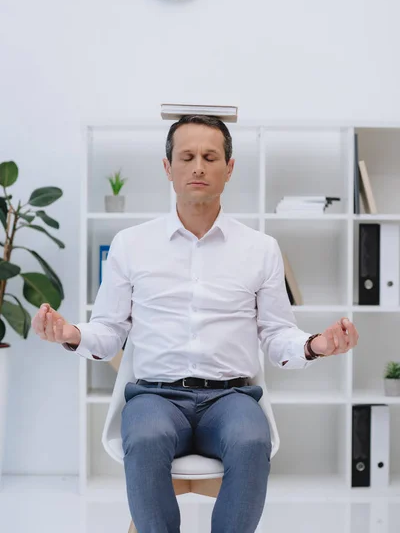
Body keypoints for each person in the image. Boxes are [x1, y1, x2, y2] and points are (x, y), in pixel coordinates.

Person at [31, 115, 359, 533]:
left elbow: (277, 336)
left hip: (231, 398)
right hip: (155, 397)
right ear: (168, 168)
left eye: (210, 156)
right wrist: (73, 334)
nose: (199, 167)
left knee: (251, 439)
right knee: (146, 438)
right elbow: (110, 331)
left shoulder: (260, 249)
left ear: (230, 167)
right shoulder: (131, 245)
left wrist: (315, 344)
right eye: (187, 157)